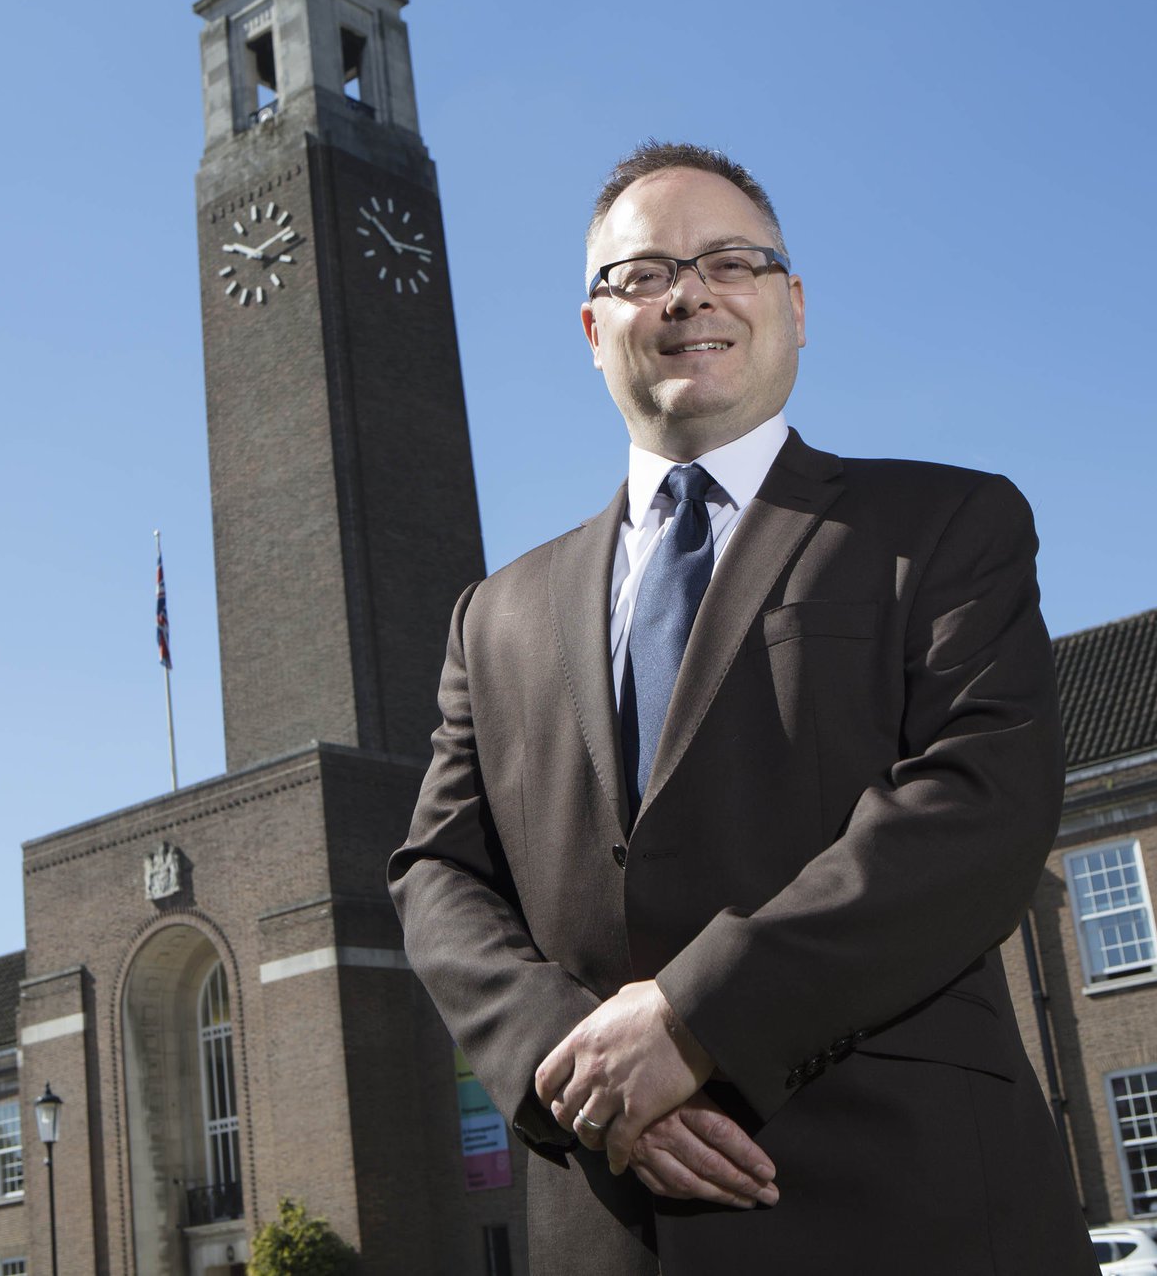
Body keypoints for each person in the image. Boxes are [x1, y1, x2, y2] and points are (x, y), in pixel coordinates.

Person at [388, 141, 1094, 1274]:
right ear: (590, 329)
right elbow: (436, 874)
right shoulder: (494, 613)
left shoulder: (946, 523)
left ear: (794, 305)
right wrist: (574, 1062)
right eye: (641, 273)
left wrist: (688, 1019)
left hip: (908, 1212)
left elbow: (981, 801)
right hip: (612, 1220)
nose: (687, 294)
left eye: (729, 260)